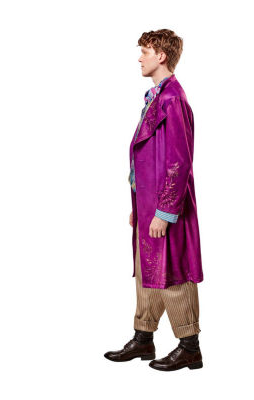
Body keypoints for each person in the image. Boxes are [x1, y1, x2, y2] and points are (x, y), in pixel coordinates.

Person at [104, 29, 204, 372]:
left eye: (145, 51)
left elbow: (179, 160)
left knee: (173, 271)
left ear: (161, 56)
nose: (140, 57)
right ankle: (143, 338)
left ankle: (190, 347)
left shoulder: (172, 99)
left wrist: (165, 211)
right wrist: (140, 207)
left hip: (166, 205)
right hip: (149, 203)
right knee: (147, 270)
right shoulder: (157, 97)